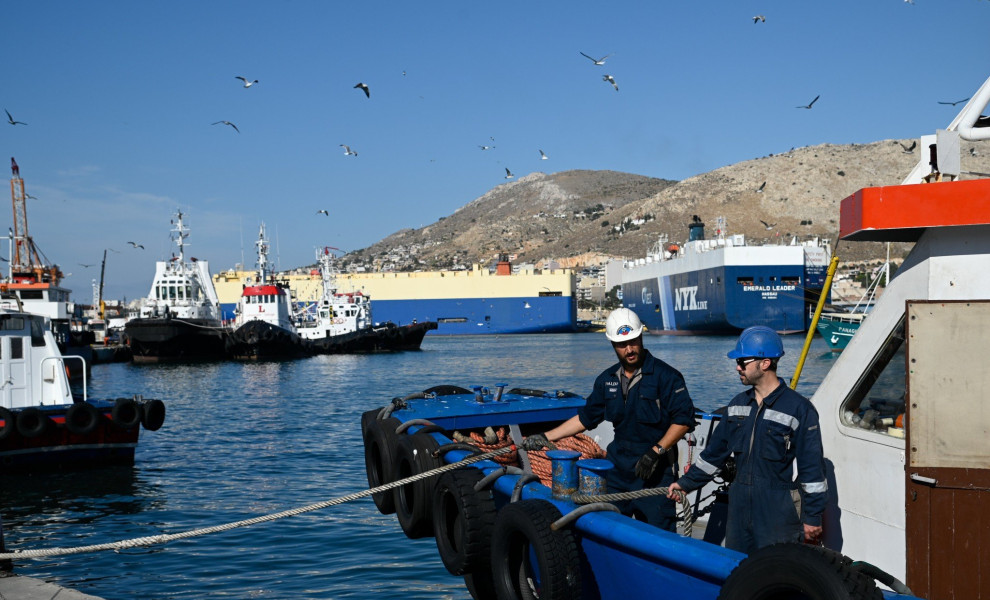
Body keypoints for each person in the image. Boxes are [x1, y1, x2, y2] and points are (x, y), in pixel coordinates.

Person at [522, 308, 696, 531]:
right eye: (622, 344)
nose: (629, 349)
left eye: (633, 341)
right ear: (613, 345)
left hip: (654, 474)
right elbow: (585, 418)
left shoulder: (667, 376)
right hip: (617, 473)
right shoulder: (606, 380)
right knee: (609, 530)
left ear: (641, 337)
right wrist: (545, 436)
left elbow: (683, 420)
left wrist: (656, 452)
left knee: (658, 538)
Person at [667, 326, 827, 553]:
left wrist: (812, 516)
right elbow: (713, 456)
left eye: (742, 362)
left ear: (765, 363)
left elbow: (812, 470)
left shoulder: (799, 409)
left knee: (775, 573)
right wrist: (686, 484)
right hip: (739, 509)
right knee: (739, 570)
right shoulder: (737, 406)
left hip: (777, 512)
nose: (737, 367)